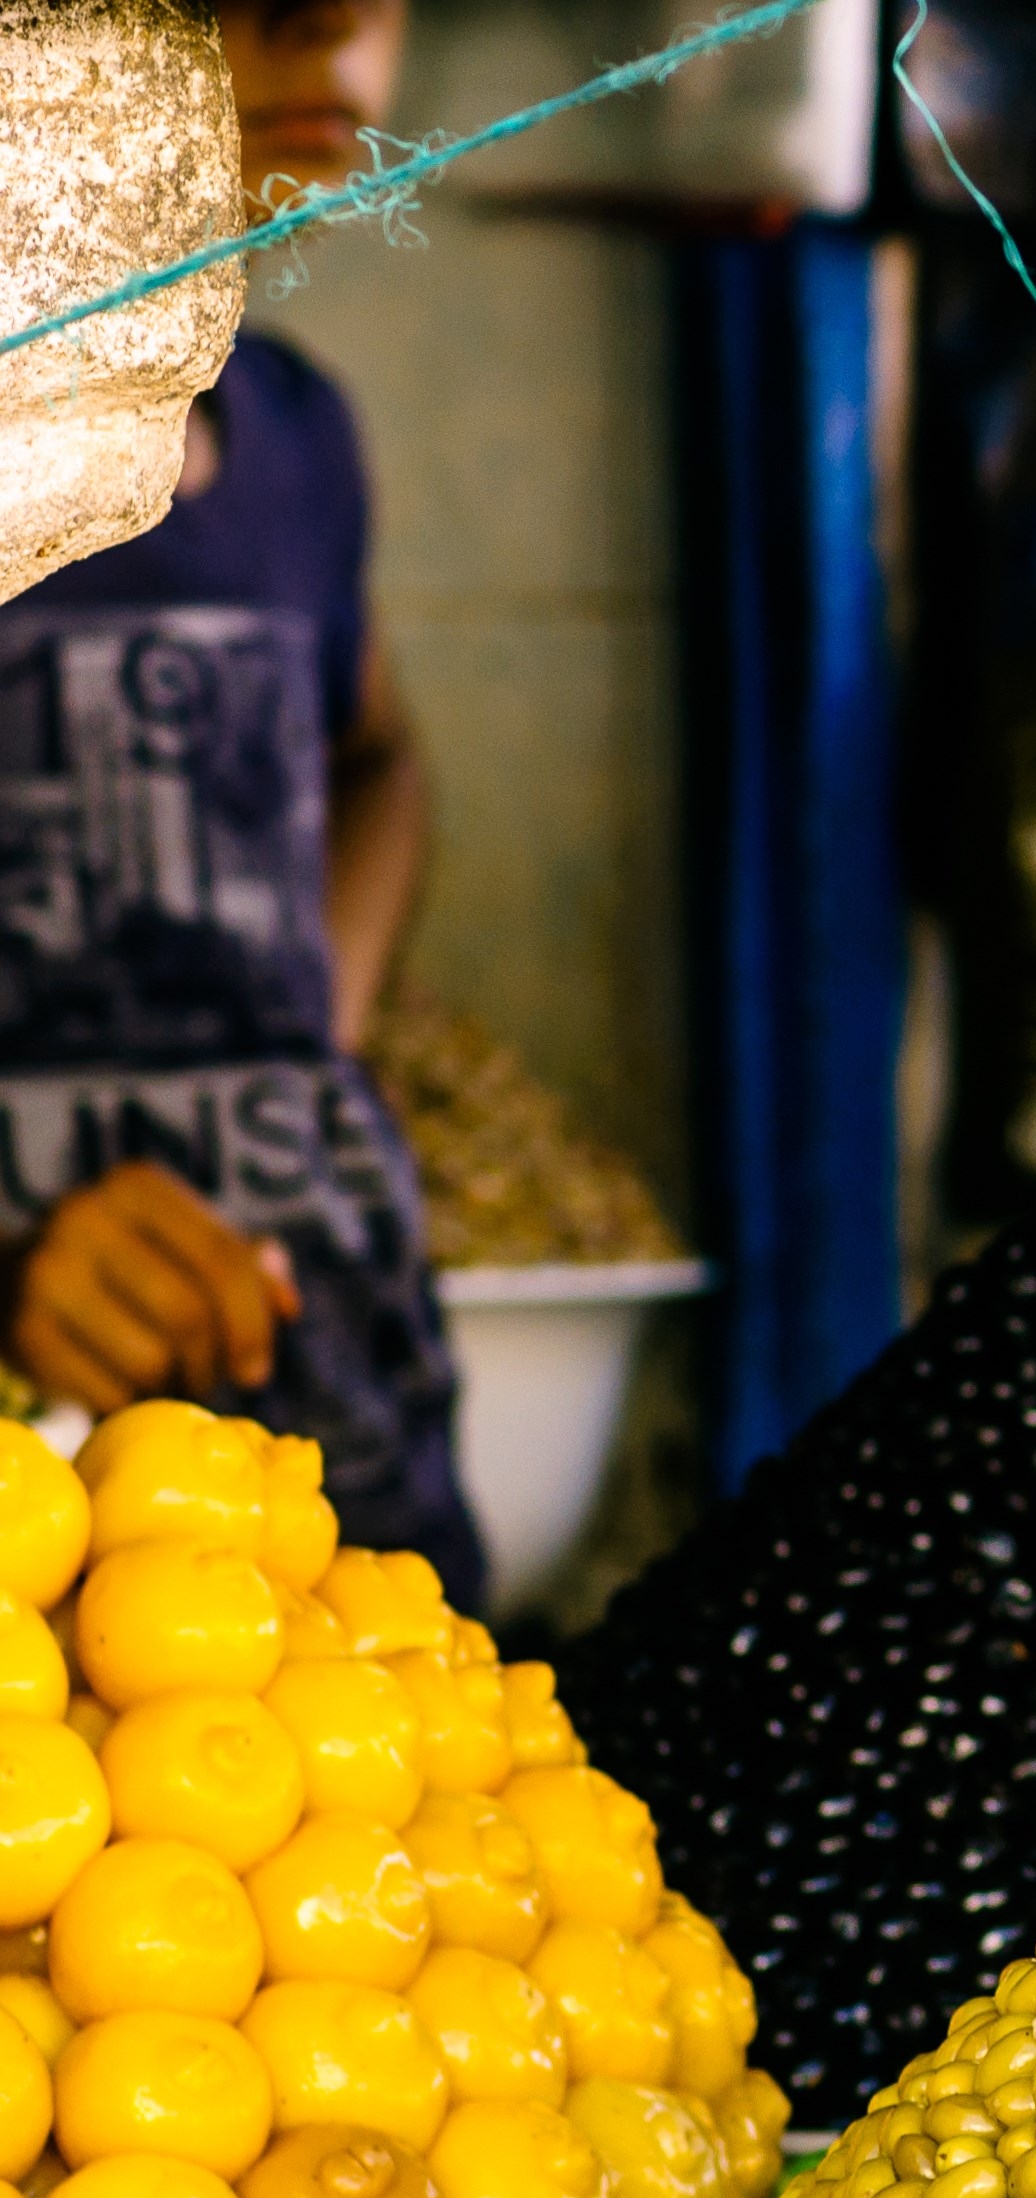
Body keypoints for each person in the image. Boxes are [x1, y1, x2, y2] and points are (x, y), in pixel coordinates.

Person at [0, 0, 479, 1594]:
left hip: (332, 1468)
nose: (328, 20)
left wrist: (305, 1034)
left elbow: (378, 755)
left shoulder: (294, 438)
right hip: (42, 1563)